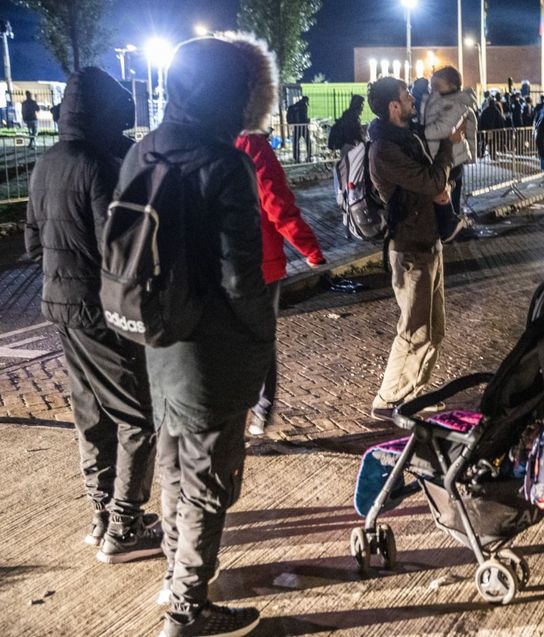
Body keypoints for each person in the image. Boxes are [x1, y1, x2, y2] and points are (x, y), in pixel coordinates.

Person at [116, 34, 279, 636]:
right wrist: (263, 340)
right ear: (235, 92)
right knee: (210, 478)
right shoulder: (223, 161)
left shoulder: (147, 149)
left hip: (159, 337)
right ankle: (189, 606)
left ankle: (173, 577)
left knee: (173, 460)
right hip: (213, 348)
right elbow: (241, 277)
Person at [24, 67, 161, 562]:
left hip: (57, 304)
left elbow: (32, 241)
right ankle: (125, 525)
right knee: (137, 414)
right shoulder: (101, 164)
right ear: (106, 112)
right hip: (99, 308)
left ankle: (102, 512)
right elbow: (118, 244)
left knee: (91, 411)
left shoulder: (46, 162)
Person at [366, 76, 462, 422]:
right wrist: (449, 149)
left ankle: (413, 394)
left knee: (434, 329)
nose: (412, 98)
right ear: (394, 106)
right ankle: (388, 399)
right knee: (414, 331)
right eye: (406, 95)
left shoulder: (406, 139)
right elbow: (432, 180)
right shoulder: (385, 149)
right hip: (409, 251)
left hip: (428, 242)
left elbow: (430, 184)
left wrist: (439, 190)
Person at [235, 129, 326, 435]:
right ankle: (260, 409)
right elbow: (276, 202)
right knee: (259, 339)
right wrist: (310, 249)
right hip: (257, 261)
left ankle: (239, 410)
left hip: (212, 261)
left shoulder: (196, 136)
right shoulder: (252, 144)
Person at [423, 65, 478, 219]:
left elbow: (443, 128)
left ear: (452, 86)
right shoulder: (438, 101)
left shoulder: (457, 104)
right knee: (443, 198)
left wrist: (419, 134)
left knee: (448, 200)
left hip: (451, 160)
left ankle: (452, 227)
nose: (432, 89)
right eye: (430, 85)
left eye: (436, 85)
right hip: (441, 158)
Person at [286, 95, 311, 162]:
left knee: (296, 143)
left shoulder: (295, 106)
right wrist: (308, 121)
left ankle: (296, 157)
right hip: (303, 127)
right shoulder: (304, 106)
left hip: (296, 127)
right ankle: (309, 156)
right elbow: (304, 117)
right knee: (308, 142)